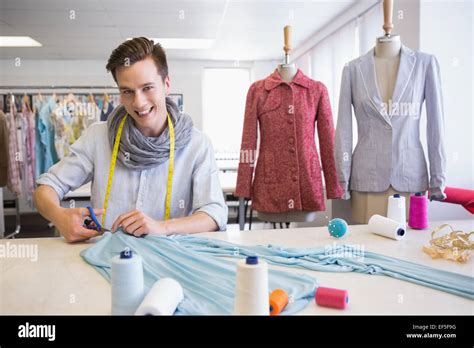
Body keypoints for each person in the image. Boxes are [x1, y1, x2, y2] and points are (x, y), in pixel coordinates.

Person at [34, 37, 228, 242]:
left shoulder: (196, 145)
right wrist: (60, 216)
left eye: (147, 88)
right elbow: (46, 187)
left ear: (166, 84)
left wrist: (161, 227)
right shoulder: (98, 137)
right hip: (109, 259)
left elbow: (214, 212)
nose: (139, 102)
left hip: (171, 258)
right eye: (127, 91)